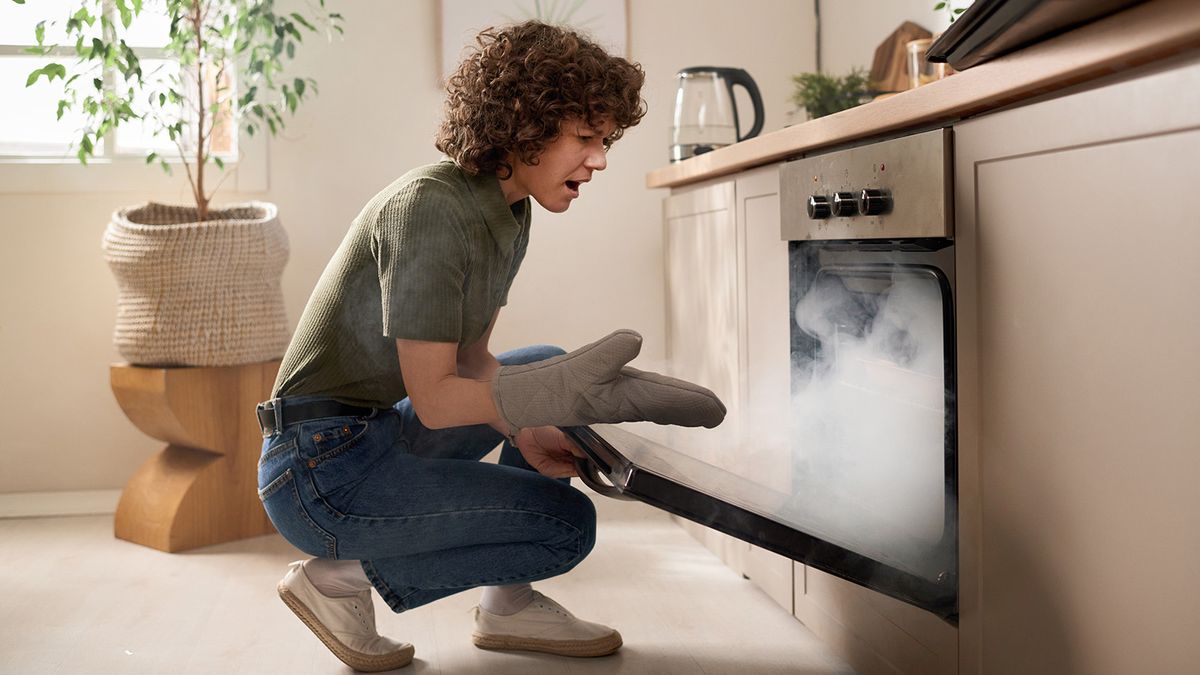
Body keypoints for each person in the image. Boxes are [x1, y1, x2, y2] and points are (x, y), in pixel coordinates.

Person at [255, 21, 725, 672]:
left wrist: (527, 428)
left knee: (540, 368)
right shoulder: (431, 210)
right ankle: (336, 580)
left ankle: (507, 605)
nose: (602, 158)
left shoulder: (509, 211)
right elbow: (439, 399)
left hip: (371, 436)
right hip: (316, 472)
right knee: (565, 526)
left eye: (607, 139)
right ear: (524, 125)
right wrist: (535, 406)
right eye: (586, 137)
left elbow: (474, 364)